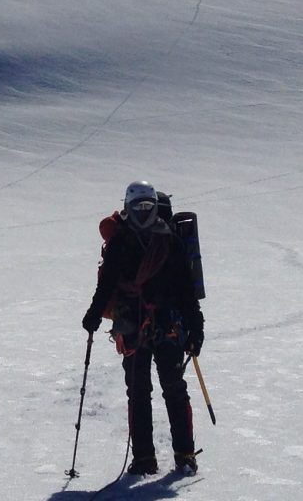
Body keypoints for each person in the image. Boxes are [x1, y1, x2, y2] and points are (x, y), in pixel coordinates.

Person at [83, 180, 204, 476]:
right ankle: (147, 458)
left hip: (157, 325)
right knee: (143, 392)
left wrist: (195, 326)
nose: (143, 213)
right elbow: (106, 284)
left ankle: (180, 454)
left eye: (148, 207)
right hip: (149, 326)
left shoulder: (164, 242)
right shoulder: (130, 243)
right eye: (138, 207)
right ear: (127, 207)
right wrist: (94, 315)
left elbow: (186, 291)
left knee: (169, 390)